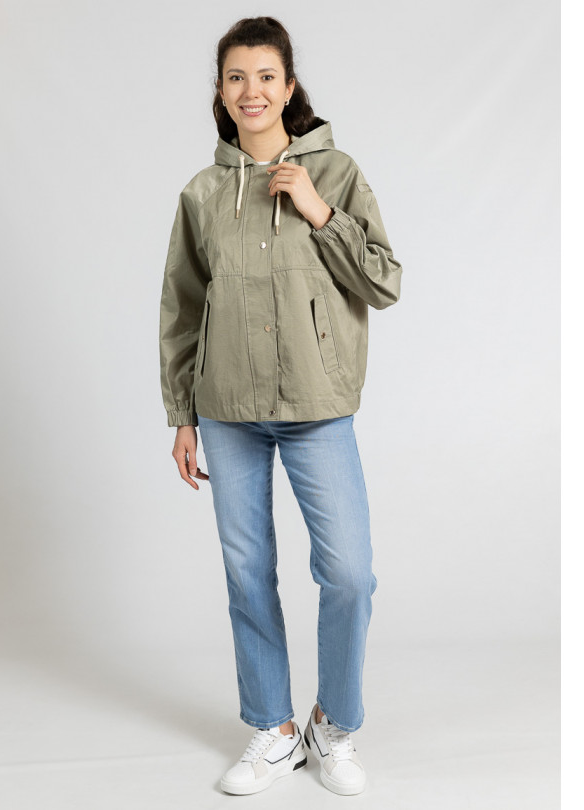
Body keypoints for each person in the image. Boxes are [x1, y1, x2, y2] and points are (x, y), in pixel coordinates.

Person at [159, 16, 403, 797]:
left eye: (266, 76)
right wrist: (181, 414)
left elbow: (384, 281)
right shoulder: (202, 194)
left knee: (350, 573)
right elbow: (181, 309)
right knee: (247, 572)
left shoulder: (335, 174)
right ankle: (273, 729)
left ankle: (334, 725)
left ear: (289, 86)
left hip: (316, 404)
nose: (251, 90)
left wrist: (319, 213)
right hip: (225, 409)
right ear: (221, 91)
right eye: (236, 77)